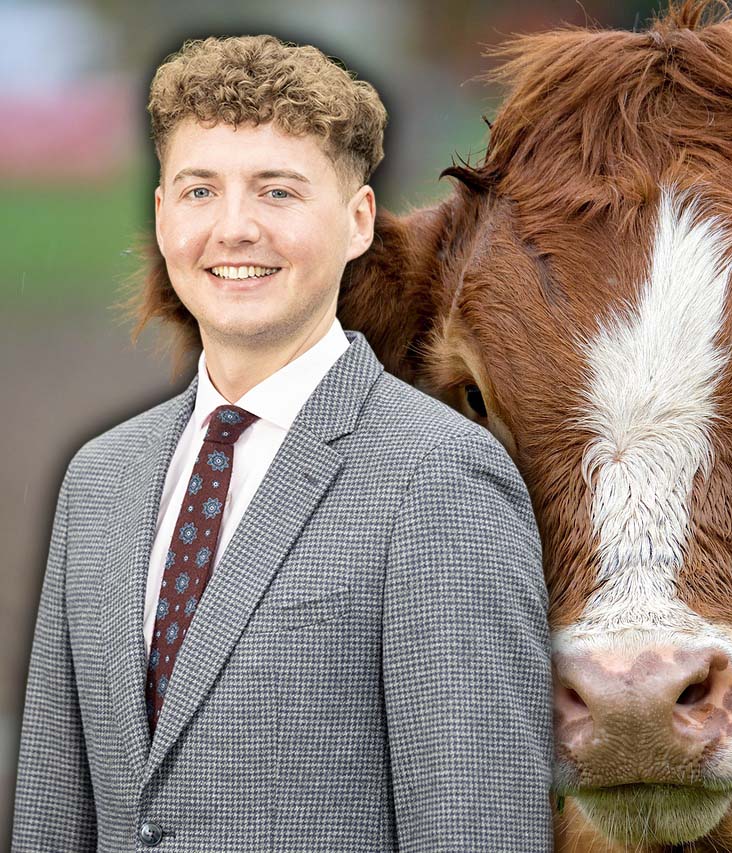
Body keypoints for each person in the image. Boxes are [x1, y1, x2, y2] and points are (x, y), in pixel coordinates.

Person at [12, 35, 552, 851]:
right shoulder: (99, 480)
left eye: (278, 191)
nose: (234, 229)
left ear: (359, 222)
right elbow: (54, 815)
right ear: (162, 217)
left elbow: (475, 827)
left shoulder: (443, 477)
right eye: (201, 190)